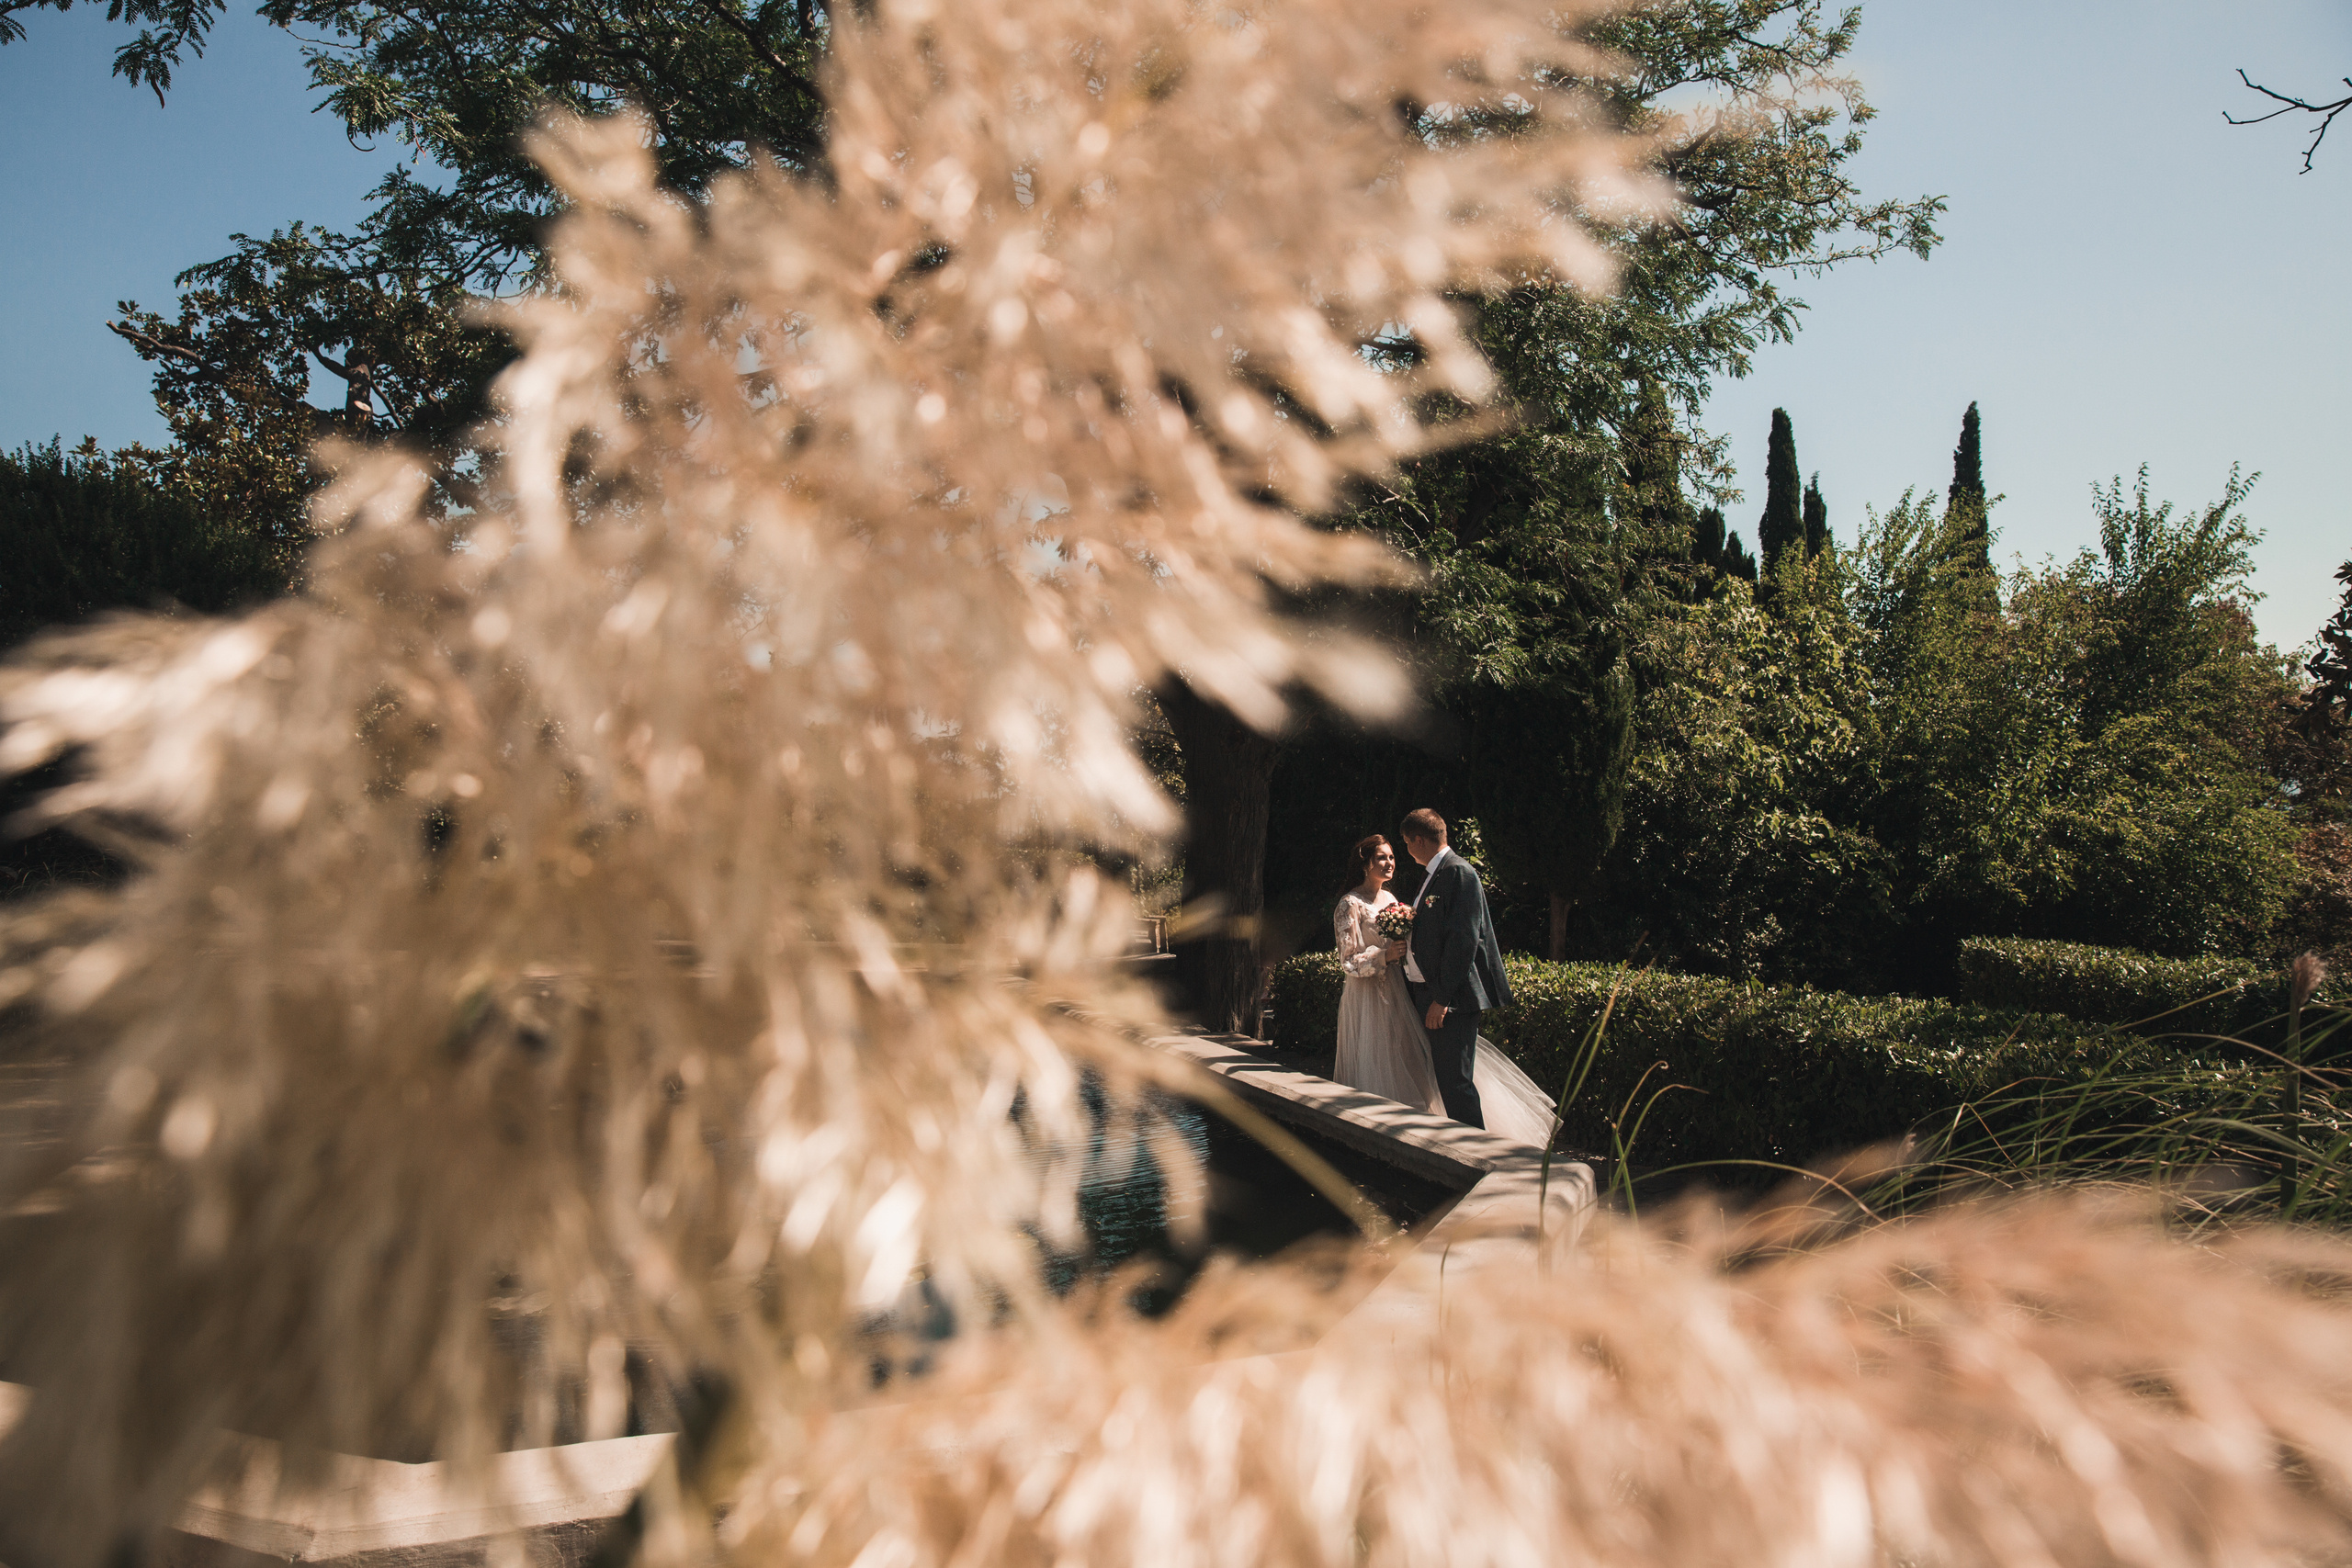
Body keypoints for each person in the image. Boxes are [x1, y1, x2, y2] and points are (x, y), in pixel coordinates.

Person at [1330, 828, 1556, 1146]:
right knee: (1380, 1062)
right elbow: (1347, 961)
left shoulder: (1392, 900)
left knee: (1420, 1066)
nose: (1390, 862)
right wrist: (1383, 956)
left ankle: (1426, 1134)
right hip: (1368, 997)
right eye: (1382, 857)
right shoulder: (1348, 904)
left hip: (1402, 992)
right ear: (1365, 863)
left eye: (1393, 856)